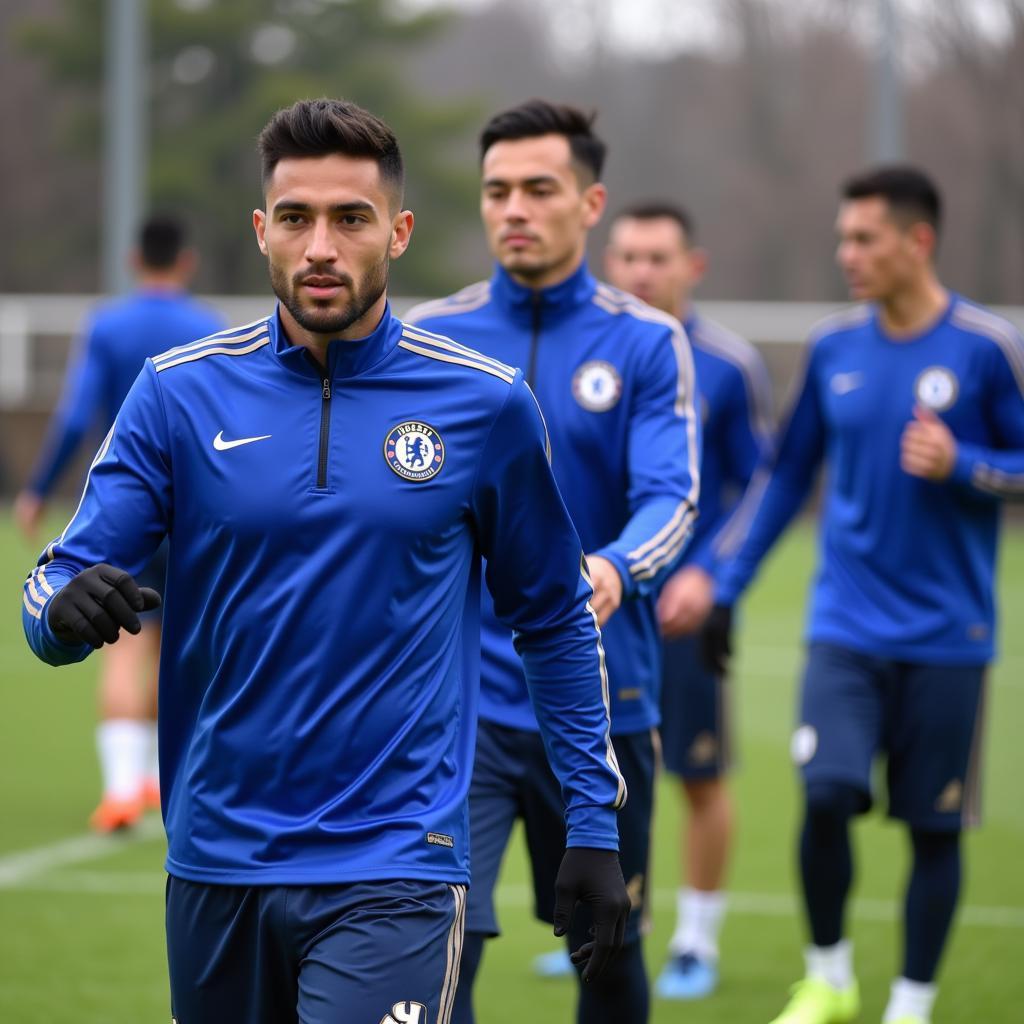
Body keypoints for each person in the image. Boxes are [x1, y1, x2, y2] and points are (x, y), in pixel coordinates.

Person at [22, 98, 631, 1024]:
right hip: (218, 856)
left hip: (398, 859)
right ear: (262, 229)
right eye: (297, 218)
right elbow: (59, 580)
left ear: (398, 232)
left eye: (351, 218)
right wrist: (59, 616)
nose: (321, 247)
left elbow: (550, 616)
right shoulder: (177, 394)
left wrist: (590, 822)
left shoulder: (483, 406)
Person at [705, 165, 1024, 1024]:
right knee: (825, 794)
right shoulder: (834, 349)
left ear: (917, 241)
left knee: (933, 829)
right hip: (844, 625)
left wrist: (966, 465)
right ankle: (830, 976)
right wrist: (728, 584)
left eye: (863, 239)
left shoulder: (986, 350)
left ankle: (911, 1002)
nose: (846, 254)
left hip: (951, 635)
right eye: (842, 237)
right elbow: (785, 477)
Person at [407, 100, 701, 1024]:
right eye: (497, 190)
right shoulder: (428, 338)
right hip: (464, 710)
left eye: (540, 188)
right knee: (439, 943)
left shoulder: (649, 341)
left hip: (610, 700)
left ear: (591, 203)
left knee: (605, 951)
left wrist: (614, 567)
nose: (514, 209)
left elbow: (673, 496)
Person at [604, 202, 773, 999]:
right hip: (596, 607)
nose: (641, 272)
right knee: (597, 773)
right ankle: (608, 927)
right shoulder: (590, 349)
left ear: (691, 267)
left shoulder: (729, 365)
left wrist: (710, 571)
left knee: (697, 776)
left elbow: (757, 485)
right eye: (629, 257)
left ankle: (696, 941)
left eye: (657, 258)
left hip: (683, 608)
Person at [14, 216, 223, 832]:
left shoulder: (108, 324)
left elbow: (78, 415)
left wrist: (38, 487)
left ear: (136, 260)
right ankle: (161, 781)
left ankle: (121, 789)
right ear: (186, 262)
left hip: (127, 504)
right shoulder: (208, 328)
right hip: (193, 510)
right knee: (173, 639)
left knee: (123, 642)